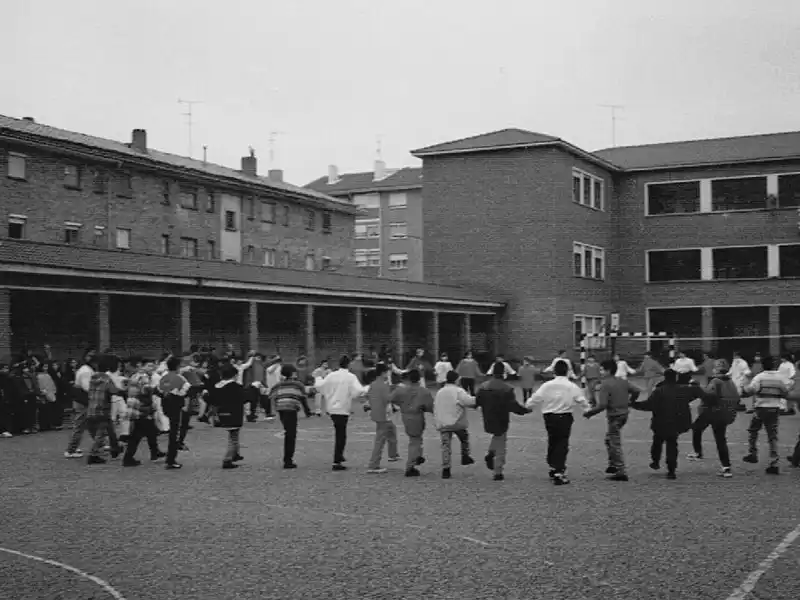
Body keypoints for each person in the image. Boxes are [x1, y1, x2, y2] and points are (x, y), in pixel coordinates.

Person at [631, 369, 704, 480]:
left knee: (657, 442)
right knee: (672, 445)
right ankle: (671, 470)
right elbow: (695, 394)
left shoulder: (660, 390)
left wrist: (634, 404)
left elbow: (649, 405)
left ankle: (655, 461)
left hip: (661, 421)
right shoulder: (683, 389)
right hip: (677, 422)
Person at [526, 360, 588, 485]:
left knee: (552, 439)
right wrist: (588, 411)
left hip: (549, 416)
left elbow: (535, 398)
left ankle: (553, 464)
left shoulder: (547, 385)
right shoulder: (571, 386)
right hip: (565, 416)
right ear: (567, 372)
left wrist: (527, 407)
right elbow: (581, 400)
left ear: (554, 371)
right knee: (562, 442)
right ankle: (559, 470)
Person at [584, 360, 640, 481]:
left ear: (608, 370)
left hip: (614, 415)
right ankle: (613, 465)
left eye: (602, 370)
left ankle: (620, 470)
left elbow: (602, 404)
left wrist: (590, 412)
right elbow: (636, 390)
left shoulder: (606, 384)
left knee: (614, 442)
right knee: (609, 439)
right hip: (624, 414)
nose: (600, 372)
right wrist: (631, 401)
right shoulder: (622, 381)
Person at [476, 362, 531, 481]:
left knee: (496, 435)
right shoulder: (507, 388)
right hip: (501, 418)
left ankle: (491, 452)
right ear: (503, 373)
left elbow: (477, 401)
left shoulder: (483, 386)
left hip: (488, 416)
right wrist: (525, 411)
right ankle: (498, 471)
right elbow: (513, 406)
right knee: (501, 443)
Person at [686, 358, 739, 478]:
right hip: (725, 413)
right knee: (720, 439)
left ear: (716, 369)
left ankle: (698, 452)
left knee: (696, 428)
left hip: (713, 412)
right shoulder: (730, 382)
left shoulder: (716, 381)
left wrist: (696, 387)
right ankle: (726, 467)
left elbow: (708, 396)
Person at [742, 355, 792, 475]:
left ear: (763, 366)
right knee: (772, 435)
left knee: (753, 430)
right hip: (774, 409)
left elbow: (751, 390)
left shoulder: (759, 377)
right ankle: (774, 462)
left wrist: (744, 387)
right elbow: (786, 392)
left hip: (761, 408)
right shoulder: (780, 378)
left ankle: (753, 453)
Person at [316, 355, 366, 471]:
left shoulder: (331, 375)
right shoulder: (350, 377)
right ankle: (336, 460)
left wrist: (318, 378)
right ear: (348, 364)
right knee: (341, 434)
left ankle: (339, 455)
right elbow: (358, 391)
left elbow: (321, 386)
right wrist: (361, 391)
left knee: (340, 432)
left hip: (332, 407)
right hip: (343, 408)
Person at [391, 369, 435, 477]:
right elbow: (430, 406)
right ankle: (410, 465)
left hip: (406, 415)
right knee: (415, 440)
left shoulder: (401, 390)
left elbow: (392, 398)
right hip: (417, 415)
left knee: (415, 438)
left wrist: (400, 404)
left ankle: (418, 456)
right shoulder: (424, 391)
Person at [433, 370, 476, 479]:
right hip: (456, 421)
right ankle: (465, 456)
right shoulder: (458, 391)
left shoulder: (440, 391)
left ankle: (446, 468)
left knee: (445, 445)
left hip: (443, 422)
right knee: (464, 437)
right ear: (457, 379)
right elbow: (469, 401)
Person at [85, 354, 124, 464]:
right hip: (103, 409)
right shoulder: (107, 379)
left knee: (110, 428)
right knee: (101, 434)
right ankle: (93, 455)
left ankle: (115, 448)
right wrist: (124, 392)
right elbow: (114, 391)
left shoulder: (93, 377)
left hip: (92, 408)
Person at [269, 364, 308, 469]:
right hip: (291, 409)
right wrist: (308, 412)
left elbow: (272, 396)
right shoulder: (298, 385)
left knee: (288, 431)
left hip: (281, 409)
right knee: (291, 434)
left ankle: (288, 459)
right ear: (293, 373)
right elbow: (303, 398)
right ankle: (288, 460)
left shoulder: (278, 385)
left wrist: (272, 410)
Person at [364, 363, 401, 474]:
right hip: (383, 415)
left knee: (392, 430)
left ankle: (393, 454)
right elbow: (388, 398)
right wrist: (397, 391)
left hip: (378, 413)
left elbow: (369, 396)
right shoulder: (383, 385)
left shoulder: (374, 384)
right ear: (384, 372)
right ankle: (373, 464)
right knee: (380, 440)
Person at [157, 356, 191, 470]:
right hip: (176, 407)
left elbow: (158, 390)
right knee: (174, 434)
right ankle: (171, 460)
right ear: (177, 367)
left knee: (172, 432)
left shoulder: (163, 377)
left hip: (165, 407)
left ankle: (170, 458)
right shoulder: (180, 379)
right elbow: (186, 392)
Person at [210, 363, 246, 469]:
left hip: (222, 413)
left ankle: (235, 453)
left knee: (234, 434)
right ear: (234, 375)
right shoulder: (235, 387)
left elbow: (211, 399)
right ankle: (228, 459)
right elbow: (244, 398)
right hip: (234, 413)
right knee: (233, 437)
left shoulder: (217, 386)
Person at [122, 381, 166, 466]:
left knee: (151, 434)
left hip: (143, 419)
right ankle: (128, 458)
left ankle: (155, 452)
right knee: (136, 439)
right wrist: (145, 413)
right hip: (141, 420)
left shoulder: (135, 398)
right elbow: (131, 414)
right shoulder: (135, 399)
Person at [64, 349, 96, 458]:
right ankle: (71, 449)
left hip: (84, 401)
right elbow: (87, 388)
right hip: (82, 401)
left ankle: (99, 444)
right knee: (80, 425)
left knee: (91, 424)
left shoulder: (86, 369)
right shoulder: (86, 371)